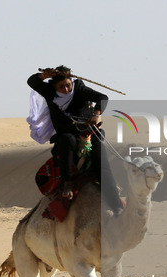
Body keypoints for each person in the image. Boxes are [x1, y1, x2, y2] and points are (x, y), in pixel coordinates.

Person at [27, 66, 123, 213]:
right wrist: (43, 76)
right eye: (61, 87)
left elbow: (103, 98)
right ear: (54, 86)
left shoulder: (79, 89)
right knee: (67, 139)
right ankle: (67, 183)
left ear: (71, 81)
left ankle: (116, 206)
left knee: (101, 163)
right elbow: (32, 81)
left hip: (89, 132)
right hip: (65, 135)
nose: (66, 89)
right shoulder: (49, 92)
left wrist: (96, 114)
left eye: (68, 85)